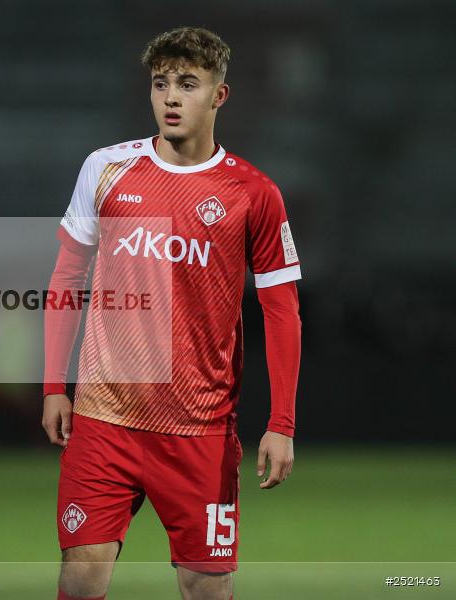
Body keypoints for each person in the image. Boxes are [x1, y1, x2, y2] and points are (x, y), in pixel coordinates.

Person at [42, 27, 302, 600]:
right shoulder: (106, 169)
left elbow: (281, 310)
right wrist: (53, 385)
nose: (171, 98)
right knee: (81, 572)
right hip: (105, 417)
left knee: (206, 588)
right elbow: (66, 276)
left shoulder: (253, 193)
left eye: (188, 84)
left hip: (199, 429)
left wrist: (280, 424)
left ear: (219, 95)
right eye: (161, 84)